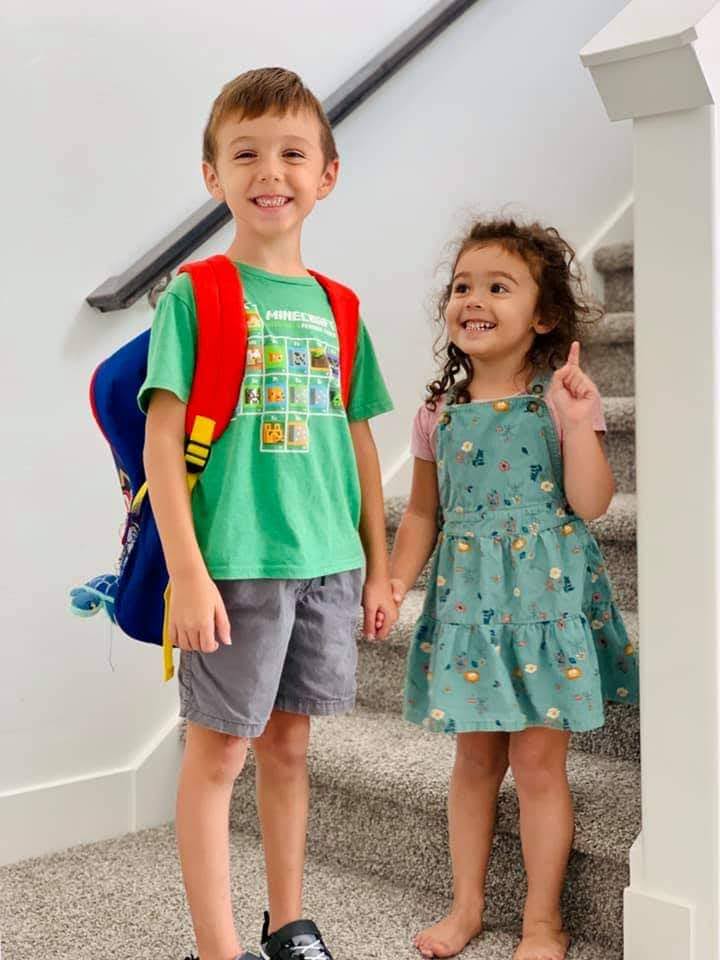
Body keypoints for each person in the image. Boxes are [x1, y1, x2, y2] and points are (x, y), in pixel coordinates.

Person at [139, 67, 397, 960]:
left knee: (290, 747)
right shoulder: (197, 294)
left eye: (293, 152)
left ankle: (289, 926)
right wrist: (186, 571)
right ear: (213, 174)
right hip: (234, 565)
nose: (269, 170)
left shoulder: (341, 306)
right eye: (244, 153)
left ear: (327, 173)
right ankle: (217, 949)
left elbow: (360, 443)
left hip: (327, 563)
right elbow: (160, 446)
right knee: (219, 758)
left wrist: (379, 563)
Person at [389, 217, 638, 960]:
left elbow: (593, 503)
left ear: (544, 314)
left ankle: (542, 922)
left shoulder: (560, 397)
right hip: (470, 608)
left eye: (499, 286)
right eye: (463, 285)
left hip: (544, 605)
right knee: (474, 761)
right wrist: (397, 580)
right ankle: (465, 907)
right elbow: (425, 512)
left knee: (536, 766)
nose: (474, 298)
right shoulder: (438, 413)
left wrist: (573, 418)